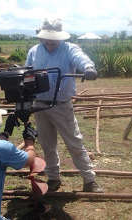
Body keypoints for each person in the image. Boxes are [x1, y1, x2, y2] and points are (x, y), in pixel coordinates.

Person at [25, 18, 103, 193]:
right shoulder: (34, 51)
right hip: (40, 105)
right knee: (47, 144)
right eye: (47, 37)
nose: (50, 41)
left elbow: (81, 59)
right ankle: (53, 177)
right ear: (42, 36)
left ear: (60, 37)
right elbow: (28, 74)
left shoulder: (69, 49)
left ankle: (89, 180)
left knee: (74, 142)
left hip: (61, 104)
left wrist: (89, 68)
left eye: (54, 38)